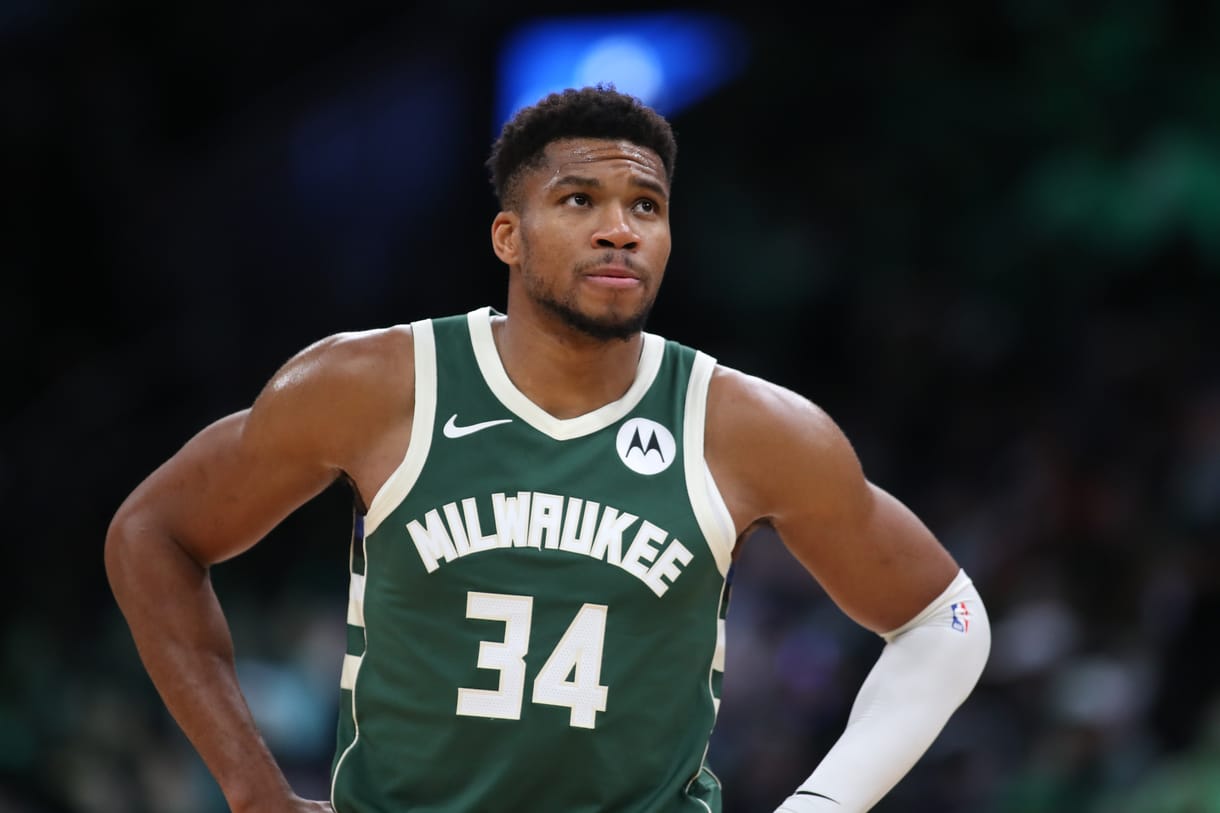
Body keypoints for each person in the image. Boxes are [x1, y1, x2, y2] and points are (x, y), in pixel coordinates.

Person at [105, 83, 991, 813]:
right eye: (581, 201)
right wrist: (253, 787)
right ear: (508, 236)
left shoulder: (749, 426)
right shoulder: (371, 385)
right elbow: (153, 533)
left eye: (647, 205)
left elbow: (944, 619)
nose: (621, 228)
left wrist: (825, 805)